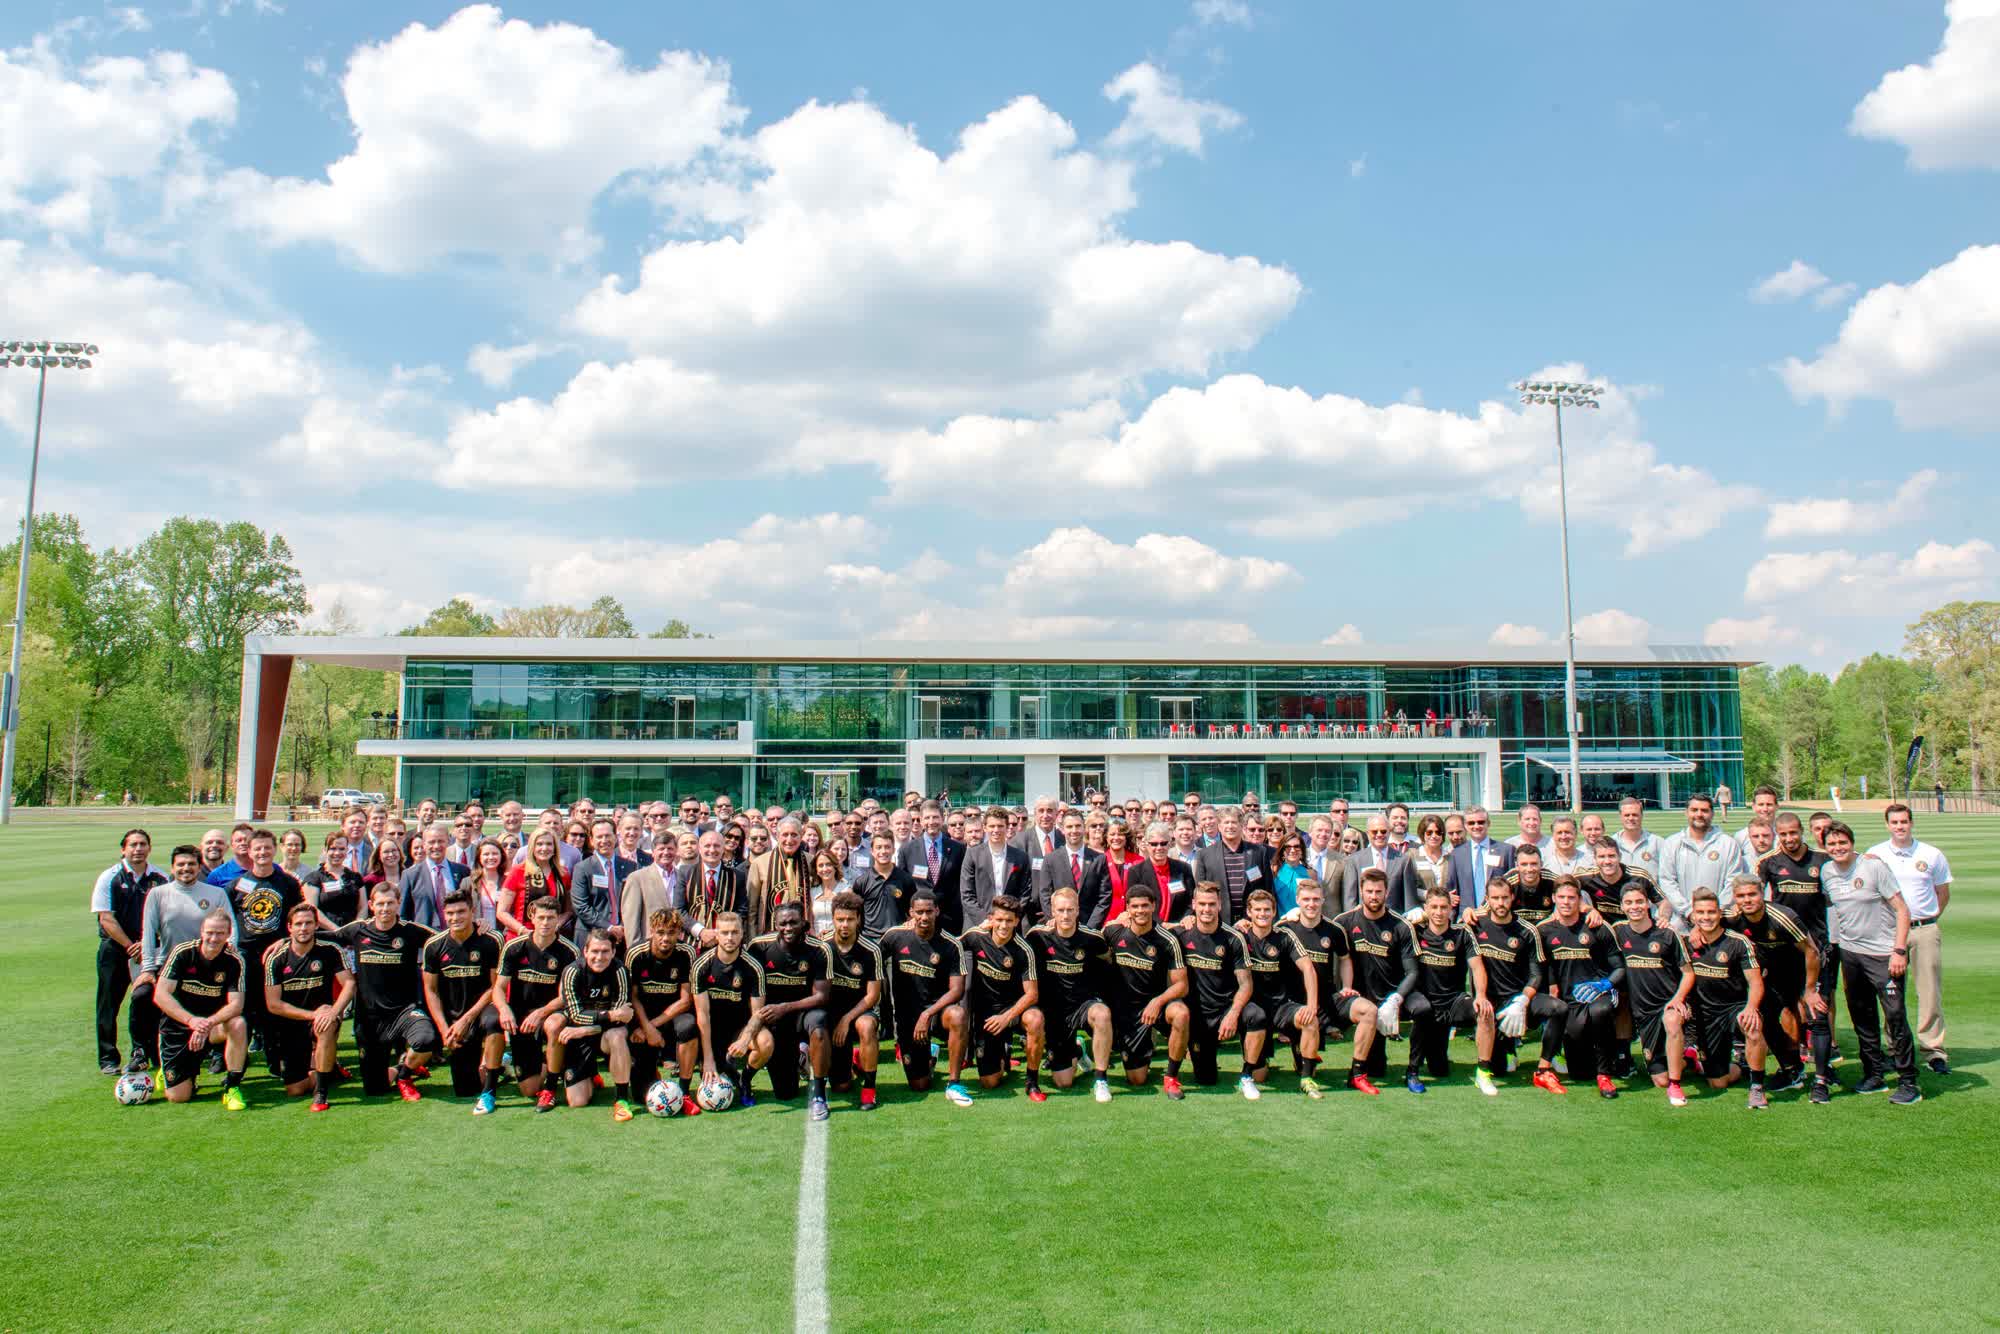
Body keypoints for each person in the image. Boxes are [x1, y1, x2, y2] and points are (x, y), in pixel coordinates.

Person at [1821, 821, 1920, 1104]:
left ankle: (1908, 1081)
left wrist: (1899, 950)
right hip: (1852, 954)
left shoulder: (1873, 867)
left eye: (1843, 842)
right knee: (1862, 1016)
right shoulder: (1827, 871)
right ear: (1825, 847)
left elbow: (1903, 910)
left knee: (1895, 1017)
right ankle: (1874, 1074)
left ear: (1852, 842)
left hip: (1884, 954)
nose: (1838, 848)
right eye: (1832, 844)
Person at [335, 882, 440, 1102]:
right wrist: (285, 941)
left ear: (398, 903)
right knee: (375, 1089)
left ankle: (404, 1075)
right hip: (369, 1018)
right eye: (380, 904)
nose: (385, 909)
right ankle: (405, 1064)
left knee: (426, 1040)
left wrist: (478, 926)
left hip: (405, 1011)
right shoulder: (357, 930)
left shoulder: (410, 931)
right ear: (371, 905)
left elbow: (445, 938)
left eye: (390, 903)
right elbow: (325, 937)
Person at [1868, 802, 1951, 1075]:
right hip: (1889, 933)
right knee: (1892, 993)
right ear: (1887, 825)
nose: (1900, 827)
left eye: (1904, 821)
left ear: (1911, 822)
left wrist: (1927, 919)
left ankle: (1933, 1050)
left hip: (1924, 929)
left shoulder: (1931, 854)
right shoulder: (1875, 855)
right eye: (1894, 822)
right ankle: (1895, 1048)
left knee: (1929, 992)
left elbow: (1942, 893)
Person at [1674, 887, 1769, 1109]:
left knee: (1753, 1026)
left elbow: (1755, 982)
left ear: (1719, 914)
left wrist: (1751, 1007)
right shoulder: (1687, 942)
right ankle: (1741, 1066)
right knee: (1717, 1082)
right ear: (1694, 916)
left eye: (1711, 912)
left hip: (1733, 1008)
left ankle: (1757, 1087)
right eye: (1701, 913)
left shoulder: (1737, 942)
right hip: (1705, 1015)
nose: (1706, 917)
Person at [1724, 873, 1817, 1094]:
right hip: (1765, 971)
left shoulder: (1783, 917)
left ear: (1762, 894)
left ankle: (1795, 1068)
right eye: (1741, 896)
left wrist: (1811, 989)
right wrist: (1698, 930)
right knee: (1765, 1018)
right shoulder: (1731, 915)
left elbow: (1811, 951)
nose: (1747, 900)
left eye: (1752, 894)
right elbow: (1710, 922)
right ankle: (1789, 1066)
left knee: (1789, 1011)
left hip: (1794, 966)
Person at [1530, 881, 1625, 1099]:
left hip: (1597, 994)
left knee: (1600, 1012)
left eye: (1571, 897)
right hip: (1569, 1001)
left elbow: (1620, 968)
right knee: (1580, 1073)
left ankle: (1605, 1074)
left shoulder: (1597, 927)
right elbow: (1544, 967)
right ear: (1553, 898)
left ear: (1579, 900)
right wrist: (1552, 988)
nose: (1566, 902)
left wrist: (1604, 985)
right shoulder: (1544, 930)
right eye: (1561, 897)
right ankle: (1585, 1060)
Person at [1274, 879, 1367, 1099]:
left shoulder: (1334, 929)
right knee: (1302, 1059)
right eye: (1306, 899)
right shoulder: (1285, 928)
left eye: (1316, 899)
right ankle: (1305, 1049)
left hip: (1325, 998)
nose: (1311, 904)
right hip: (1292, 1001)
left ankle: (1357, 1073)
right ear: (1297, 901)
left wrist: (1346, 987)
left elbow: (1344, 958)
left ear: (1323, 900)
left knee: (1368, 1010)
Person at [1173, 882, 1264, 1100]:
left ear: (1220, 905)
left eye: (1212, 904)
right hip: (1197, 1016)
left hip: (1225, 1009)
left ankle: (1247, 1076)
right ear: (1194, 905)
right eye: (1202, 904)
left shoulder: (1233, 937)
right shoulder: (1181, 935)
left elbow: (1246, 984)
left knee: (1256, 1016)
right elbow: (1155, 929)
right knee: (1206, 1079)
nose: (1207, 909)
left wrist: (1233, 1014)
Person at [952, 895, 1044, 1104]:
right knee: (989, 1082)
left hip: (1015, 1011)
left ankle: (1032, 1081)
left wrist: (1007, 1017)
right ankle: (1003, 1053)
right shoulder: (976, 937)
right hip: (987, 1015)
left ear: (1017, 922)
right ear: (991, 918)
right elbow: (951, 947)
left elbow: (1032, 994)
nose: (1004, 925)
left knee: (1036, 1019)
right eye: (999, 919)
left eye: (1009, 920)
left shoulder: (1023, 949)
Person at [1761, 812, 1837, 1065]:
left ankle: (1824, 1054)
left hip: (1816, 943)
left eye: (1793, 833)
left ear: (1801, 831)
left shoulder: (1821, 859)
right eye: (1783, 834)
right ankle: (1795, 1054)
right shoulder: (1768, 862)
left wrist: (1866, 857)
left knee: (1819, 1002)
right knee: (1789, 1003)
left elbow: (1848, 861)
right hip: (1783, 946)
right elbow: (1753, 896)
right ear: (1776, 834)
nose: (1789, 838)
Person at [263, 901, 354, 1111]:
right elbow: (273, 1004)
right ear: (289, 927)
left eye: (308, 923)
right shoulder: (276, 959)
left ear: (316, 926)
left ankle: (321, 1092)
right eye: (299, 924)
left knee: (326, 1026)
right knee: (294, 1089)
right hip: (292, 1022)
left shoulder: (330, 950)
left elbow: (349, 984)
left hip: (323, 1019)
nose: (303, 928)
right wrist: (311, 1015)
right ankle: (328, 1069)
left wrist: (333, 1012)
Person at [420, 890, 506, 1112]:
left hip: (482, 1010)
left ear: (472, 912)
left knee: (494, 1022)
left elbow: (495, 986)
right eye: (450, 913)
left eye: (461, 912)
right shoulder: (434, 945)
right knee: (465, 1089)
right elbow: (431, 991)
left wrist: (467, 1019)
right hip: (453, 1017)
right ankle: (498, 1064)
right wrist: (444, 1029)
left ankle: (489, 1090)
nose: (455, 918)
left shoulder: (491, 940)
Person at [153, 909, 249, 1108]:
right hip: (178, 1028)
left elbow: (236, 1005)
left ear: (229, 933)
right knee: (179, 1097)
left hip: (210, 1028)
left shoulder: (234, 961)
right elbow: (161, 994)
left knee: (238, 1024)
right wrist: (191, 1021)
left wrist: (206, 1024)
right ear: (202, 931)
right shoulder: (183, 952)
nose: (214, 938)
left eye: (220, 933)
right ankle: (171, 1071)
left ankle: (231, 1088)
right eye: (210, 932)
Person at [746, 903, 834, 1118]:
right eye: (783, 923)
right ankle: (801, 1056)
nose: (788, 928)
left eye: (793, 922)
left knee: (820, 1025)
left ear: (803, 924)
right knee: (785, 1093)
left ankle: (819, 1095)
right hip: (776, 1020)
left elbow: (822, 996)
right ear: (775, 925)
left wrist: (785, 1007)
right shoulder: (758, 947)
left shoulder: (819, 949)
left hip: (804, 1012)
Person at [225, 829, 304, 1068]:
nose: (262, 852)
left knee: (274, 1009)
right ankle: (239, 1058)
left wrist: (286, 941)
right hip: (246, 956)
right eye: (257, 848)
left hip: (277, 954)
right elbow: (228, 921)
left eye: (267, 848)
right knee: (246, 1008)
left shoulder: (287, 883)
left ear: (274, 849)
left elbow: (297, 916)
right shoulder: (236, 886)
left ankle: (275, 1057)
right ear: (249, 851)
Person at [1332, 868, 1415, 1092]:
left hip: (1387, 999)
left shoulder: (1400, 925)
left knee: (1378, 1069)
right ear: (1361, 891)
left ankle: (1415, 1067)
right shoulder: (1344, 922)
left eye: (1379, 891)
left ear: (1387, 893)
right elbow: (1316, 931)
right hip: (1356, 999)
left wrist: (1395, 1000)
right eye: (1369, 891)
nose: (1374, 896)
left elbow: (1412, 972)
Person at [879, 891, 968, 1098]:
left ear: (937, 911)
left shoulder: (951, 944)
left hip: (937, 1012)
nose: (924, 917)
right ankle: (931, 1057)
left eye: (929, 911)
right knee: (920, 1085)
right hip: (907, 1015)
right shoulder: (895, 936)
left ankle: (954, 1083)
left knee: (958, 1015)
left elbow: (957, 990)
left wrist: (927, 1014)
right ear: (911, 913)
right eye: (919, 912)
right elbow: (871, 960)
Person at [1027, 887, 1112, 1102]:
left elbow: (1108, 958)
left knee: (1102, 1014)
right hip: (1054, 1011)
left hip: (1083, 1005)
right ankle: (1078, 1049)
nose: (1065, 915)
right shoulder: (1037, 936)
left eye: (1070, 910)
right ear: (1052, 912)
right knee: (1063, 1082)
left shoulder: (1092, 938)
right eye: (1060, 910)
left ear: (1078, 911)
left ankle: (1101, 1079)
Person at [91, 828, 164, 1075]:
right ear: (123, 849)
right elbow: (106, 919)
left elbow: (165, 916)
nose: (138, 849)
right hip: (115, 949)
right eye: (133, 845)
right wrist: (129, 945)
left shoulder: (160, 877)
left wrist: (144, 945)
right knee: (108, 1004)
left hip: (148, 951)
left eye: (142, 844)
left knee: (147, 1002)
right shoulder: (109, 877)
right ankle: (108, 1058)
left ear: (149, 848)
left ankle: (145, 1051)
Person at [1611, 884, 1693, 1103]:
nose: (1634, 907)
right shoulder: (1618, 932)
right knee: (1660, 1079)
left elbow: (1688, 973)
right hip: (1643, 1014)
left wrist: (1678, 999)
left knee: (1672, 1021)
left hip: (1668, 1004)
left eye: (1639, 901)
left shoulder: (1666, 933)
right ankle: (1687, 1060)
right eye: (1629, 903)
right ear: (1622, 906)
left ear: (1648, 903)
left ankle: (1676, 1087)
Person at [497, 896, 579, 1112]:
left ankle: (551, 1088)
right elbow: (498, 988)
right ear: (531, 917)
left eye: (551, 918)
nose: (545, 923)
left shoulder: (569, 951)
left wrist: (541, 1013)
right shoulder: (514, 947)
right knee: (528, 1089)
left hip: (554, 1013)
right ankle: (555, 1062)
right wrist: (504, 1009)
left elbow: (566, 994)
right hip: (522, 1017)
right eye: (541, 917)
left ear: (558, 919)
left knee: (553, 1026)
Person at [1403, 887, 1479, 1093]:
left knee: (1439, 1069)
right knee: (1421, 1010)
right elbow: (1395, 928)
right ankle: (1412, 1071)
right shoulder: (1415, 933)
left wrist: (1480, 997)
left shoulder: (1461, 934)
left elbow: (1477, 966)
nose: (1438, 912)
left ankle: (1486, 1068)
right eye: (1434, 907)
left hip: (1452, 1001)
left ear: (1451, 909)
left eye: (1443, 907)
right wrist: (1409, 919)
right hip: (1423, 1001)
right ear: (1425, 908)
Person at [1238, 887, 1313, 1094]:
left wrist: (1312, 1006)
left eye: (1267, 910)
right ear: (1249, 912)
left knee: (1309, 1019)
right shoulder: (1240, 937)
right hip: (1253, 1010)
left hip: (1281, 1006)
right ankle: (1251, 1069)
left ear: (1274, 912)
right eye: (1258, 910)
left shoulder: (1285, 936)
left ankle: (1306, 1076)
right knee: (1260, 1076)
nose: (1262, 914)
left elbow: (1307, 967)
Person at [558, 929, 638, 1120]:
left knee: (618, 1035)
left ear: (613, 952)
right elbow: (576, 1014)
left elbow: (623, 1017)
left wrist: (585, 1029)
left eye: (605, 952)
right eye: (595, 951)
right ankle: (591, 1074)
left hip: (603, 1036)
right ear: (585, 951)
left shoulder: (620, 971)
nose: (599, 957)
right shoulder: (572, 971)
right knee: (577, 1102)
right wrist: (608, 1016)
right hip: (579, 1038)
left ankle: (621, 1100)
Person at [694, 911, 770, 1107]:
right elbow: (702, 1014)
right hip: (713, 1031)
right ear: (716, 934)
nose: (730, 937)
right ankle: (711, 1067)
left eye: (735, 932)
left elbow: (758, 1014)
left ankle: (745, 1080)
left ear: (742, 933)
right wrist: (708, 1058)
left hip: (740, 1029)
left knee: (766, 1042)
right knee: (690, 1034)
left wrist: (745, 1039)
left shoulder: (753, 966)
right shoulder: (701, 965)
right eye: (725, 932)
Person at [626, 909, 699, 1105]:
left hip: (673, 1016)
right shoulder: (636, 953)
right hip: (643, 1016)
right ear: (651, 931)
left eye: (671, 932)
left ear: (680, 933)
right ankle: (650, 1072)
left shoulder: (687, 953)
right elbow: (632, 998)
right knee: (642, 1097)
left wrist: (652, 1027)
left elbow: (686, 1000)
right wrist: (646, 1028)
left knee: (689, 1026)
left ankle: (684, 1090)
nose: (665, 938)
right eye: (660, 932)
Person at [823, 891, 884, 1110]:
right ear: (833, 920)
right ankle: (854, 1060)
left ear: (858, 919)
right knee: (840, 1087)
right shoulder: (823, 946)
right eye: (840, 919)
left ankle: (869, 1089)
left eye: (850, 919)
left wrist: (847, 1019)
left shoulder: (871, 949)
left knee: (866, 1027)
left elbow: (872, 995)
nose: (845, 924)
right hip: (832, 1013)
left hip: (860, 1011)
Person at [1656, 794, 1732, 931]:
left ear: (1712, 813)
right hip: (1682, 921)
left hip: (1718, 921)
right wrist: (1689, 912)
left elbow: (1732, 882)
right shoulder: (1672, 843)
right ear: (1686, 812)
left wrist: (1712, 912)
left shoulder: (1728, 844)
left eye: (1704, 810)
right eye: (1694, 810)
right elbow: (1667, 882)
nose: (1699, 814)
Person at [896, 801, 965, 937]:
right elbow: (903, 885)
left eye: (935, 817)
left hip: (950, 918)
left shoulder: (958, 848)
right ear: (921, 820)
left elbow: (961, 884)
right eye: (927, 818)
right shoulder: (907, 850)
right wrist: (909, 915)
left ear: (942, 818)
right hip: (919, 918)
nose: (931, 822)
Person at [1033, 811, 1106, 927]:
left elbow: (1104, 896)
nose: (1074, 831)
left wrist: (1091, 926)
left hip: (1090, 926)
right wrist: (1054, 919)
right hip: (1060, 926)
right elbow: (1045, 893)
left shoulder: (1099, 859)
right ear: (1062, 830)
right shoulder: (1050, 859)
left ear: (1084, 828)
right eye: (1069, 827)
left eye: (1078, 826)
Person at [1194, 807, 1267, 923]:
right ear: (1219, 826)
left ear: (1242, 826)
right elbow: (1199, 891)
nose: (1230, 826)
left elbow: (1267, 889)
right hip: (1219, 920)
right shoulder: (1205, 855)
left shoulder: (1259, 852)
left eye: (1234, 822)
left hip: (1252, 919)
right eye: (1226, 822)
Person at [963, 808, 1031, 929]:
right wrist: (986, 919)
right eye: (992, 826)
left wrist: (1009, 917)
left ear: (1007, 827)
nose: (996, 830)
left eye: (1000, 826)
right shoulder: (972, 855)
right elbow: (967, 894)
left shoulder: (1021, 857)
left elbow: (1025, 893)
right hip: (979, 924)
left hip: (1009, 924)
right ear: (985, 828)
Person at [748, 816, 813, 936]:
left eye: (794, 835)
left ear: (801, 836)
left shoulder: (811, 861)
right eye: (785, 835)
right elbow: (752, 908)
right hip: (770, 934)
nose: (789, 840)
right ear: (777, 836)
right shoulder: (760, 863)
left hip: (803, 934)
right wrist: (753, 940)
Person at [400, 823, 471, 931]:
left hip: (457, 937)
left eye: (440, 841)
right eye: (432, 842)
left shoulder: (463, 872)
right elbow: (403, 914)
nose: (436, 846)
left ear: (448, 841)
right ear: (424, 844)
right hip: (423, 940)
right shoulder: (410, 875)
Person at [503, 829, 572, 941]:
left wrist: (557, 925)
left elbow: (568, 910)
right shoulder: (519, 871)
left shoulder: (563, 874)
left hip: (551, 938)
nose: (544, 848)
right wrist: (524, 931)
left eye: (549, 844)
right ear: (532, 847)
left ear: (555, 848)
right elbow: (502, 911)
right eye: (539, 844)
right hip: (521, 937)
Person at [1130, 820, 1197, 923]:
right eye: (1154, 844)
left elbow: (1190, 902)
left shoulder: (1183, 869)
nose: (1159, 848)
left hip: (1179, 928)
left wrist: (1182, 922)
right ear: (1147, 845)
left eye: (1163, 843)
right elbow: (1134, 906)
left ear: (1169, 844)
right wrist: (1161, 927)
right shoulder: (1136, 872)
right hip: (1148, 929)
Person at [1576, 837, 1655, 922]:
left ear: (1620, 857)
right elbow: (1563, 886)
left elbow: (1663, 903)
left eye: (1611, 856)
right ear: (1595, 859)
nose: (1607, 861)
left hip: (1637, 930)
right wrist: (1586, 908)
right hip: (1605, 932)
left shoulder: (1640, 877)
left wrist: (1663, 917)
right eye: (1602, 857)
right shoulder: (1587, 878)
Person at [301, 831, 364, 931]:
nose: (337, 853)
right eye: (333, 848)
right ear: (325, 850)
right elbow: (313, 910)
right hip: (326, 935)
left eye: (342, 849)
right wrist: (338, 931)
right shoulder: (313, 879)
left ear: (347, 850)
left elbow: (363, 907)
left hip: (353, 935)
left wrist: (354, 929)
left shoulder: (356, 877)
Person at [1100, 820, 1143, 923]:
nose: (1116, 838)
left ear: (1126, 837)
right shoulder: (1099, 861)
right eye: (1112, 834)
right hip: (1106, 921)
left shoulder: (1139, 861)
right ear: (1106, 837)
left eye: (1120, 834)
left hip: (1134, 920)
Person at [1613, 795, 1662, 879]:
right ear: (1620, 816)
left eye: (1635, 815)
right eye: (1627, 815)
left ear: (1642, 816)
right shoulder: (1612, 843)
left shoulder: (1658, 843)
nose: (1631, 818)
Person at [1270, 833, 1310, 916]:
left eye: (1297, 846)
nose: (1292, 850)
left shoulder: (1310, 873)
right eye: (1288, 847)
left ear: (1302, 850)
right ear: (1282, 850)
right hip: (1278, 922)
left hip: (1301, 921)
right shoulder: (1274, 870)